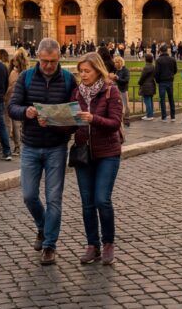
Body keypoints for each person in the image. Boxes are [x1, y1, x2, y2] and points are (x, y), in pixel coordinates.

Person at [8, 37, 78, 265]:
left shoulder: (68, 79)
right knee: (29, 195)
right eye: (45, 61)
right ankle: (42, 226)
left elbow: (76, 114)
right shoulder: (26, 77)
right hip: (30, 145)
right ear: (38, 57)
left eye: (53, 61)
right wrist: (25, 111)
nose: (49, 65)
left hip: (57, 147)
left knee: (54, 198)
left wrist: (58, 120)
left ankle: (49, 246)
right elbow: (12, 107)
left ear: (59, 58)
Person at [71, 53, 124, 266]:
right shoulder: (76, 94)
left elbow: (115, 123)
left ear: (98, 71)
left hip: (108, 153)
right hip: (84, 153)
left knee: (102, 199)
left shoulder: (111, 91)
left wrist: (94, 119)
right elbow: (72, 125)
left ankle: (108, 243)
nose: (83, 75)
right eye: (80, 71)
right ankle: (92, 245)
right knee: (87, 203)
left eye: (87, 71)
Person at [6, 49, 30, 156]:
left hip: (14, 101)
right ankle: (21, 145)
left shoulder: (14, 73)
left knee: (15, 124)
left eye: (14, 60)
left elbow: (11, 88)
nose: (12, 61)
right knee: (21, 125)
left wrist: (6, 96)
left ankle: (17, 147)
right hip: (25, 101)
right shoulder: (28, 72)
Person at [154, 46, 178, 121]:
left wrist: (157, 81)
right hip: (170, 81)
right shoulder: (172, 59)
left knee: (162, 99)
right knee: (171, 99)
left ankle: (164, 116)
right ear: (167, 51)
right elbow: (175, 70)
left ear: (160, 51)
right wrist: (171, 75)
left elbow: (156, 73)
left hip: (162, 82)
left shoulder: (158, 60)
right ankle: (173, 116)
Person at [112, 56, 131, 128]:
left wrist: (118, 78)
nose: (115, 64)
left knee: (125, 106)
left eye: (116, 62)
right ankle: (120, 121)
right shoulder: (116, 71)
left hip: (123, 90)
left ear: (120, 62)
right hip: (117, 90)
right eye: (115, 62)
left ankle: (126, 121)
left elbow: (126, 80)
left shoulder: (125, 70)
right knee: (118, 106)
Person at [138, 54, 157, 120]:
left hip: (146, 85)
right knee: (150, 100)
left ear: (146, 59)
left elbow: (142, 77)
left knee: (147, 100)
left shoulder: (146, 67)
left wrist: (139, 82)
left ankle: (149, 115)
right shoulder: (153, 66)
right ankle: (150, 114)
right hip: (151, 84)